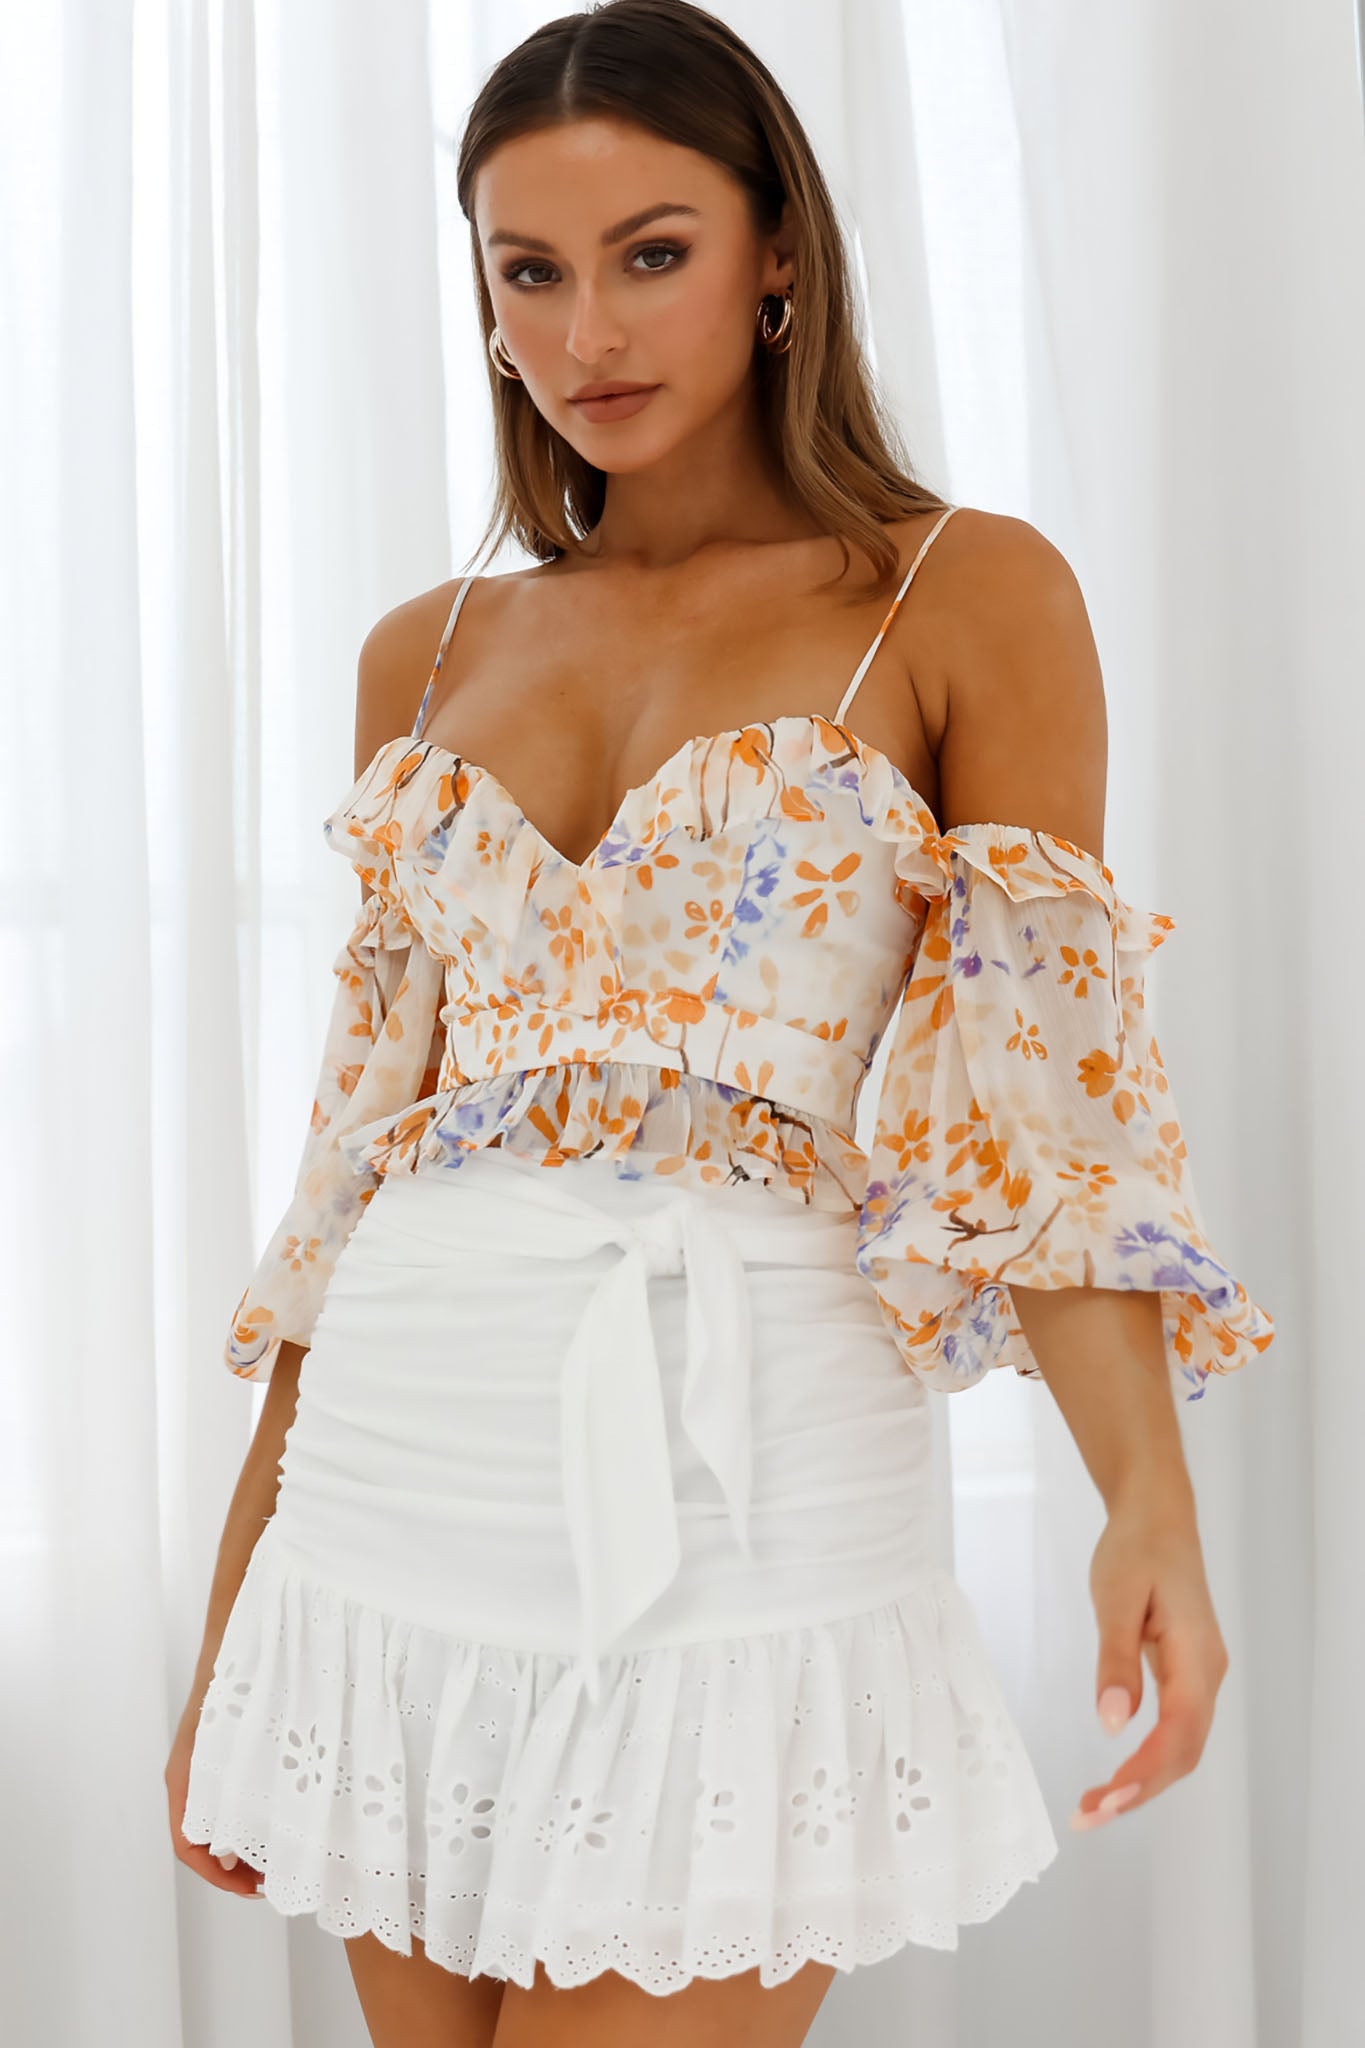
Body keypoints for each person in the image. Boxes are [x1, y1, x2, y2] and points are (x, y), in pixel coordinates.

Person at [165, 3, 1276, 2042]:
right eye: (529, 270)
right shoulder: (425, 652)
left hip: (749, 1482)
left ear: (777, 254)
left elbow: (1045, 1104)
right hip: (403, 1465)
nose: (585, 329)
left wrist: (1147, 1500)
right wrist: (239, 1614)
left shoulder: (958, 596)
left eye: (649, 253)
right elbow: (355, 1156)